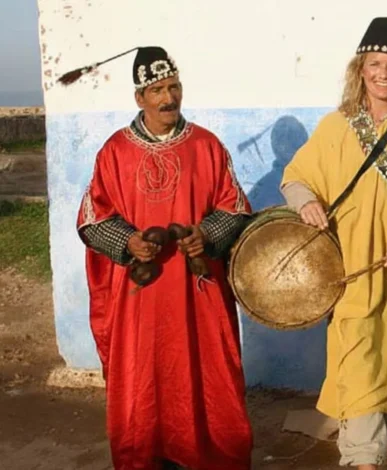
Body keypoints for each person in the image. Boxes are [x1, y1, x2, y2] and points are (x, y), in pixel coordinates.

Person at [280, 7, 387, 469]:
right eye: (375, 63)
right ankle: (364, 456)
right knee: (357, 357)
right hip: (351, 270)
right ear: (360, 69)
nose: (383, 74)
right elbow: (295, 177)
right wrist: (305, 202)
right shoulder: (336, 127)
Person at [68, 46, 253, 469]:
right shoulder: (114, 151)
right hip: (141, 298)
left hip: (197, 292)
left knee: (210, 378)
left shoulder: (207, 146)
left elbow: (236, 208)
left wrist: (206, 234)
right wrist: (129, 241)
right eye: (158, 90)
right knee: (143, 385)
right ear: (140, 98)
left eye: (174, 87)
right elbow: (92, 218)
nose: (169, 98)